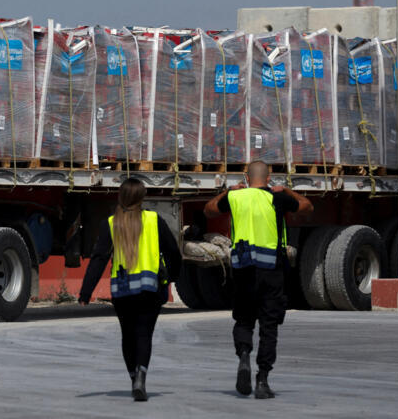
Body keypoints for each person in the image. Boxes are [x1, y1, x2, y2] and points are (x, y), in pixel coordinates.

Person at [203, 161, 313, 399]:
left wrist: (228, 192)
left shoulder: (237, 198)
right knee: (269, 325)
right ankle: (262, 380)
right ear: (269, 176)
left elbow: (209, 210)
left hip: (243, 269)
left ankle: (244, 355)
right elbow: (307, 206)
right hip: (271, 270)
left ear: (246, 176)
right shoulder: (278, 198)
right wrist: (286, 190)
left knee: (243, 319)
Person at [79, 178, 181, 402]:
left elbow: (98, 258)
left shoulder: (112, 223)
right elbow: (173, 251)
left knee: (128, 335)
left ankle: (133, 376)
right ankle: (141, 377)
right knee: (144, 334)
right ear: (142, 197)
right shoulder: (155, 220)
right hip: (150, 289)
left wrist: (86, 292)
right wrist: (173, 276)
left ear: (121, 197)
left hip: (123, 290)